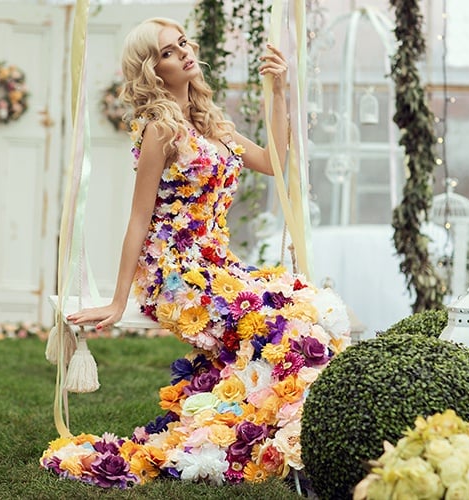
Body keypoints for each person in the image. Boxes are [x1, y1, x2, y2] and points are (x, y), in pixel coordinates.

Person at [41, 17, 350, 488]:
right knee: (281, 326)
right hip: (173, 272)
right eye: (168, 51)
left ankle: (256, 434)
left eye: (182, 43)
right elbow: (139, 217)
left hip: (214, 263)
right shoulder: (161, 130)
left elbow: (271, 163)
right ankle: (271, 442)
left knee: (300, 309)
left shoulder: (209, 121)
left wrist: (282, 92)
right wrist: (119, 299)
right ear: (153, 69)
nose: (183, 52)